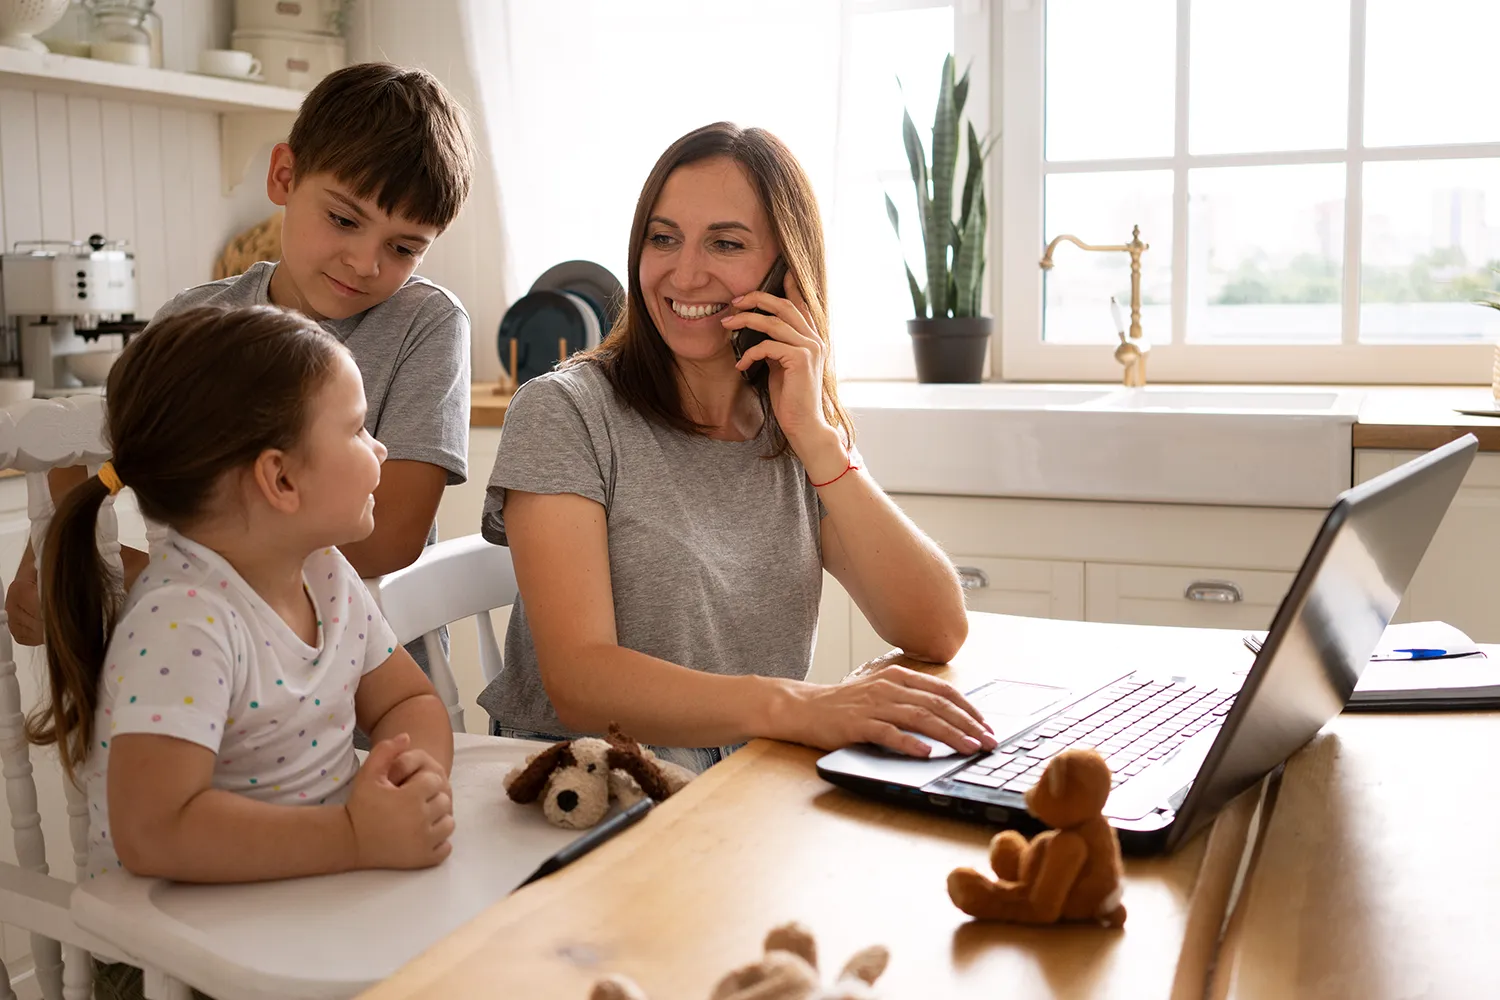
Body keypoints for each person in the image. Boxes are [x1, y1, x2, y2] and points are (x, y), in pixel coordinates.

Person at [475, 122, 991, 773]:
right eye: (663, 239)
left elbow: (936, 627)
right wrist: (798, 707)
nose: (685, 274)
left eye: (726, 243)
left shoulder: (794, 428)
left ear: (786, 272)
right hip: (589, 788)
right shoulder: (566, 411)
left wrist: (816, 436)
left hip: (744, 778)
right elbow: (581, 684)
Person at [24, 305, 455, 998]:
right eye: (356, 428)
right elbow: (156, 831)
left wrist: (411, 778)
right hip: (175, 961)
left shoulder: (325, 572)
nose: (378, 450)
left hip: (298, 911)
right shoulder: (186, 622)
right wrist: (352, 837)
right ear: (281, 480)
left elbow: (406, 698)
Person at [5, 62, 476, 661]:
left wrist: (158, 577)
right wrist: (52, 560)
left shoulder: (425, 322)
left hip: (368, 676)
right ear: (284, 176)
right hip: (200, 669)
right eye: (342, 219)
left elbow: (389, 539)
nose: (365, 262)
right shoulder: (193, 318)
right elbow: (113, 460)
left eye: (403, 247)